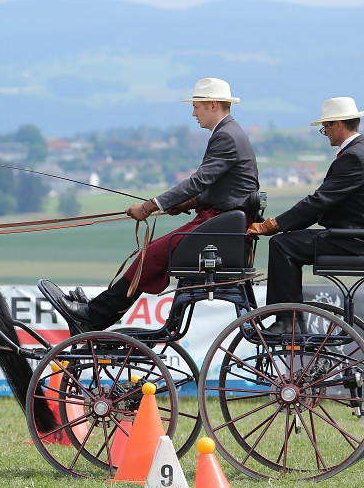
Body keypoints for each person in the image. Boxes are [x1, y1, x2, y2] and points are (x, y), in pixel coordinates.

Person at [53, 78, 260, 331]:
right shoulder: (229, 132)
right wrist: (185, 203)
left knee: (150, 255)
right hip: (219, 220)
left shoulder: (226, 136)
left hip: (220, 224)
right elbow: (219, 189)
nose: (193, 113)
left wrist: (150, 206)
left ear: (213, 105)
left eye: (197, 106)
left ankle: (96, 314)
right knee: (151, 254)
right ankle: (99, 312)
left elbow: (199, 181)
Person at [247, 97, 364, 331]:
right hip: (358, 236)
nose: (326, 133)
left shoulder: (354, 157)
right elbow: (323, 204)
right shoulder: (360, 152)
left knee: (282, 245)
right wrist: (280, 223)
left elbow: (319, 201)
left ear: (338, 125)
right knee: (288, 240)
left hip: (354, 241)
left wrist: (274, 225)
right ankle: (292, 319)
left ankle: (287, 322)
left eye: (326, 128)